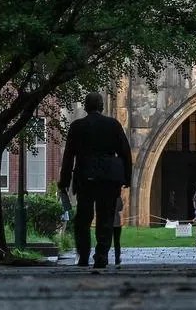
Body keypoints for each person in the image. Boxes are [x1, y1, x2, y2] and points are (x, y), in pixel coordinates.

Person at [58, 92, 133, 269]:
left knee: (83, 217)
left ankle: (83, 255)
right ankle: (101, 255)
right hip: (108, 177)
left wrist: (64, 181)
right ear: (102, 106)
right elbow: (125, 153)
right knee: (105, 217)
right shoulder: (113, 125)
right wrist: (126, 177)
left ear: (85, 106)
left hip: (85, 175)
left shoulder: (77, 127)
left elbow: (68, 157)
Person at [113, 194, 124, 266]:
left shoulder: (105, 195)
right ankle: (117, 258)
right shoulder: (117, 196)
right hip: (116, 221)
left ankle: (104, 257)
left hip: (107, 221)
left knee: (106, 241)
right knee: (117, 242)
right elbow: (120, 207)